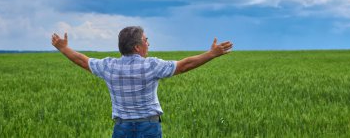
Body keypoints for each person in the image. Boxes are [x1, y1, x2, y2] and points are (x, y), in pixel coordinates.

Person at [51, 26, 233, 138]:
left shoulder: (108, 66)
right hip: (149, 128)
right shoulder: (151, 65)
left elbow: (82, 60)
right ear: (137, 47)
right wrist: (211, 54)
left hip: (121, 128)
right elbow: (184, 65)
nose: (148, 44)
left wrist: (64, 48)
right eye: (146, 40)